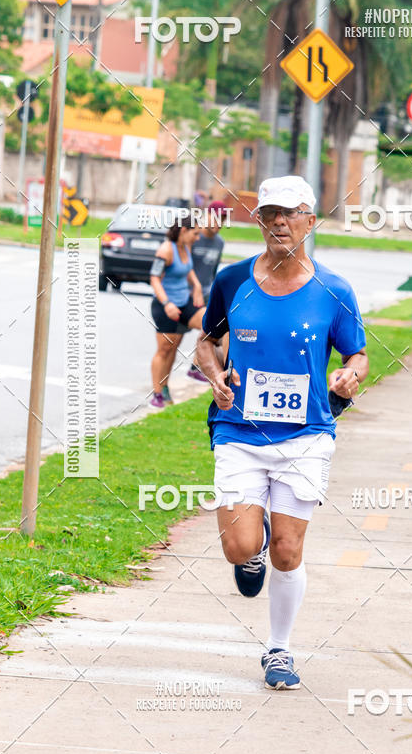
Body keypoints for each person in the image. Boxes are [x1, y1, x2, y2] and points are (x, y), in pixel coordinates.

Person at [195, 175, 368, 690]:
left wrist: (349, 376)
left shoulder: (333, 291)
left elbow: (355, 354)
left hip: (306, 435)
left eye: (291, 212)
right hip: (239, 431)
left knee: (289, 554)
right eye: (270, 212)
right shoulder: (233, 281)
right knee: (238, 548)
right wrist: (215, 374)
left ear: (310, 221)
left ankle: (279, 650)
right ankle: (255, 544)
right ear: (260, 219)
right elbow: (206, 342)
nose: (279, 221)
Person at [149, 213, 205, 408]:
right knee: (166, 349)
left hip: (184, 302)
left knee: (212, 323)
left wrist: (196, 285)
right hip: (166, 305)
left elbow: (187, 268)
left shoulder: (185, 246)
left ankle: (196, 367)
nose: (198, 238)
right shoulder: (166, 250)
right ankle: (158, 392)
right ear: (183, 230)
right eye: (195, 233)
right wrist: (167, 304)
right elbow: (154, 278)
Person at [188, 200, 227, 382]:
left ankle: (196, 366)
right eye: (216, 218)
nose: (219, 224)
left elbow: (213, 271)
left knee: (217, 329)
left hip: (205, 296)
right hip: (186, 296)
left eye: (223, 219)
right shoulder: (194, 237)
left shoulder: (219, 243)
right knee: (168, 348)